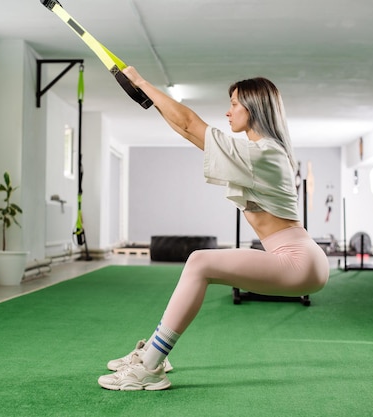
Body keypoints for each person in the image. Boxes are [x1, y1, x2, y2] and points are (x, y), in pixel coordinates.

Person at [98, 66, 330, 391]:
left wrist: (140, 82)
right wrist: (147, 99)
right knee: (200, 264)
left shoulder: (263, 153)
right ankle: (151, 354)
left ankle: (150, 366)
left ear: (254, 107)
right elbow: (189, 132)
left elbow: (191, 124)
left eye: (234, 103)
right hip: (295, 258)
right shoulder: (258, 152)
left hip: (297, 261)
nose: (228, 111)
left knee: (199, 262)